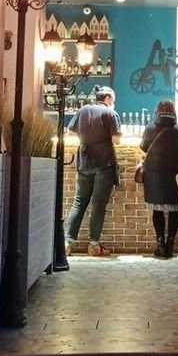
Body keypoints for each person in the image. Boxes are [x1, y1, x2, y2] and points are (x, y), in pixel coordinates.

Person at [65, 86, 121, 257]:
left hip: (84, 161)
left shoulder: (83, 110)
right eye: (113, 100)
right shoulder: (110, 113)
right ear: (108, 98)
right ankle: (94, 245)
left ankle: (67, 243)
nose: (114, 103)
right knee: (98, 204)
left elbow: (70, 132)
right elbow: (116, 140)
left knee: (79, 202)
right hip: (104, 163)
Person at [140, 100, 178, 258]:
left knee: (157, 209)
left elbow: (143, 146)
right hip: (175, 174)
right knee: (175, 209)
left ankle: (160, 245)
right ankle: (170, 245)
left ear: (156, 111)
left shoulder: (149, 128)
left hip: (154, 174)